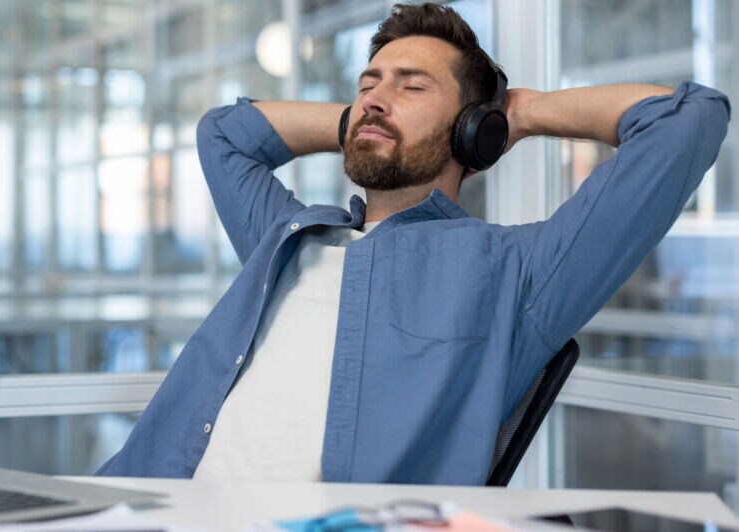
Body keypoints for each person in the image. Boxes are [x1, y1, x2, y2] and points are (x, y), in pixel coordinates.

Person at [96, 3, 730, 484]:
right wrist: (360, 122)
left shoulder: (520, 272)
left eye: (411, 85)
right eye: (368, 82)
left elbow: (687, 121)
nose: (375, 96)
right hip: (144, 500)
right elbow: (223, 135)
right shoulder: (287, 237)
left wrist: (522, 113)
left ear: (471, 128)